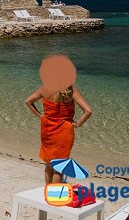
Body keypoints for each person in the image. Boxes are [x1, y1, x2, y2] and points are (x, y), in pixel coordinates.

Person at [25, 55, 93, 184]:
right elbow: (88, 111)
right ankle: (55, 196)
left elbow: (28, 101)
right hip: (64, 130)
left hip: (47, 127)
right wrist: (77, 124)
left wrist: (40, 116)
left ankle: (48, 191)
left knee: (49, 164)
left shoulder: (44, 89)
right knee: (60, 168)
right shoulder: (71, 90)